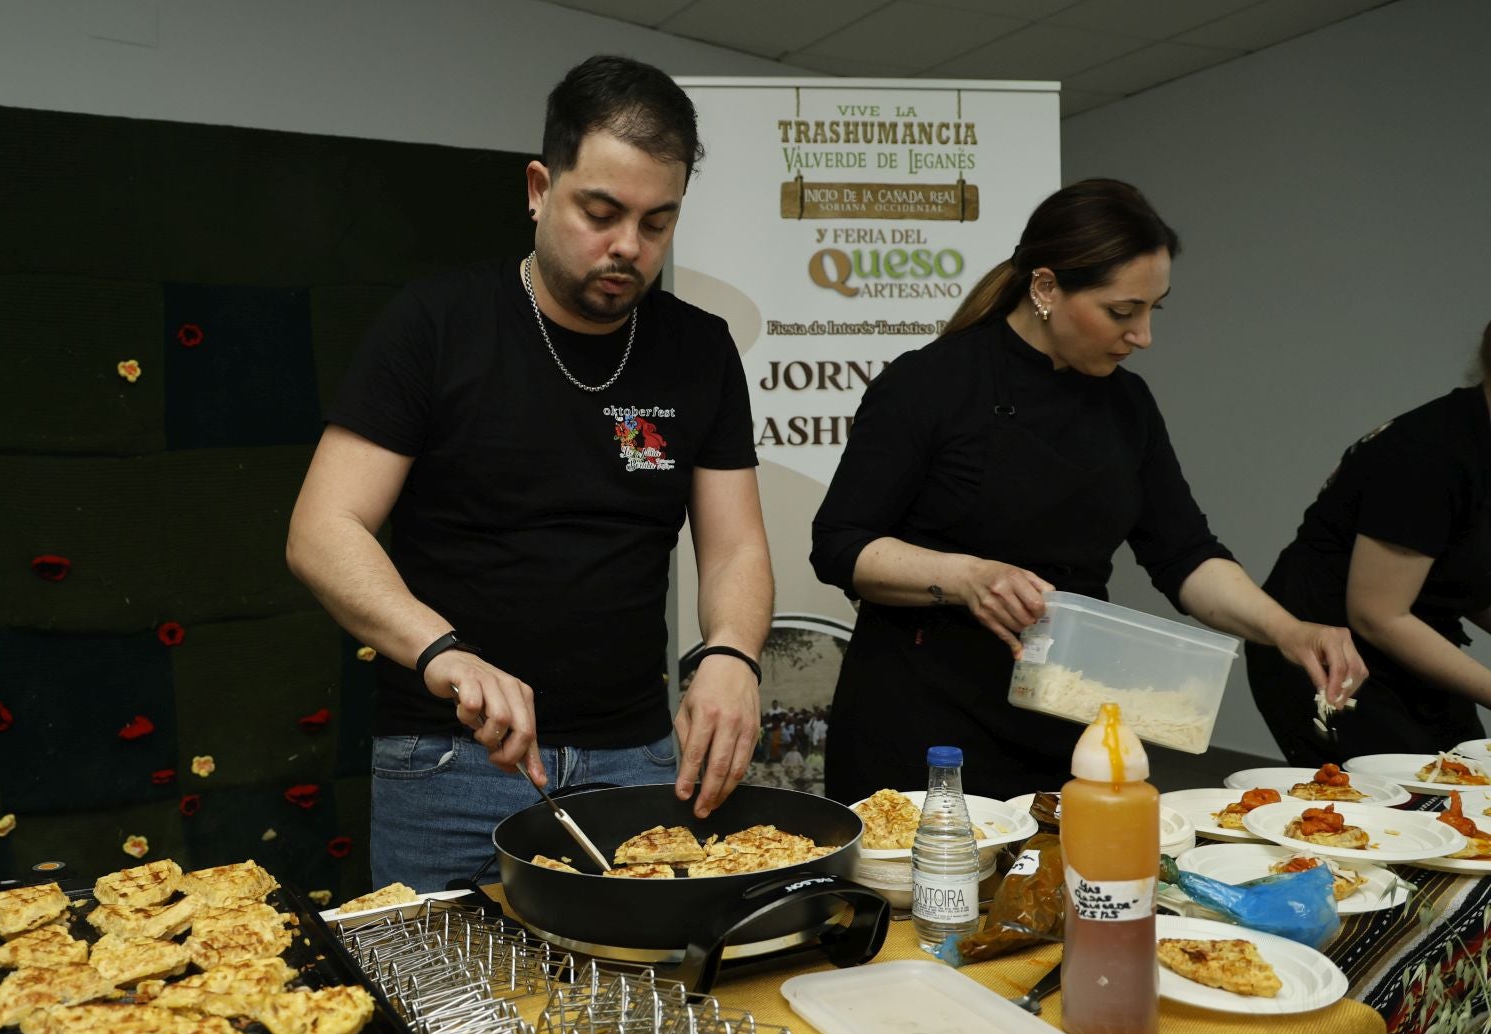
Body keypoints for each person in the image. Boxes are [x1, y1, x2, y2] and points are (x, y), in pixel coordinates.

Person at [286, 55, 772, 889]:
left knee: (635, 1004)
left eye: (658, 223)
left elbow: (733, 549)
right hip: (450, 760)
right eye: (602, 211)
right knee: (442, 1010)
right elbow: (322, 530)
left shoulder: (699, 348)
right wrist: (443, 651)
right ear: (540, 188)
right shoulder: (435, 324)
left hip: (640, 757)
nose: (628, 246)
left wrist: (732, 654)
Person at [809, 179, 1366, 801]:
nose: (1143, 336)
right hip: (921, 731)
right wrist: (966, 577)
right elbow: (839, 545)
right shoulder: (930, 383)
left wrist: (1287, 630)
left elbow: (1184, 554)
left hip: (1062, 722)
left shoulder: (1127, 404)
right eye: (1122, 312)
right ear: (1045, 288)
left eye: (1156, 309)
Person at [1249, 321, 1491, 764]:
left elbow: (1461, 574)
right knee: (1395, 811)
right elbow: (1378, 614)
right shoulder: (1429, 454)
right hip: (1332, 650)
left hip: (1416, 641)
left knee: (1465, 792)